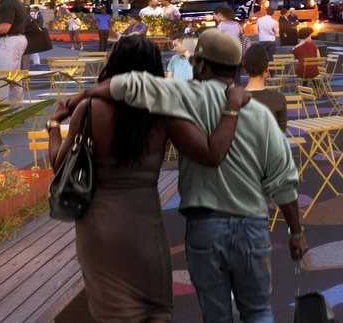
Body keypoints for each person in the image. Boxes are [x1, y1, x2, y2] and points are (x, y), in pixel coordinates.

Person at [56, 28, 304, 323]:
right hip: (233, 224)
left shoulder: (177, 98)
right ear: (237, 68)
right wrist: (296, 231)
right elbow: (277, 178)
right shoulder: (253, 114)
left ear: (198, 64)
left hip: (178, 225)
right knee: (256, 310)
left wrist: (82, 97)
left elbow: (131, 85)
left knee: (213, 313)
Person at [240, 45, 288, 133]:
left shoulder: (232, 100)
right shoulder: (279, 100)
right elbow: (281, 133)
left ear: (245, 70)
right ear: (266, 69)